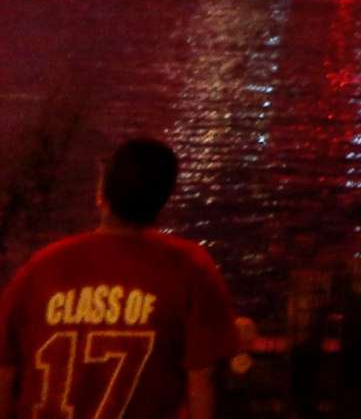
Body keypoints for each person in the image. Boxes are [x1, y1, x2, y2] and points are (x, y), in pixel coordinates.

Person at [0, 137, 234, 419]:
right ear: (164, 200)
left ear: (101, 194)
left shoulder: (41, 268)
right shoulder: (189, 269)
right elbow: (204, 380)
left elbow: (5, 370)